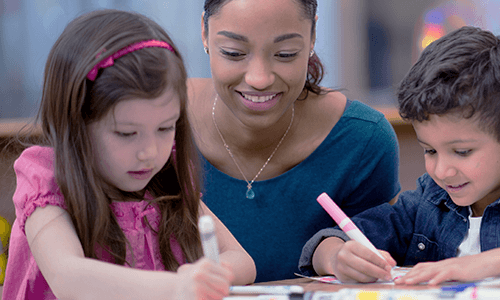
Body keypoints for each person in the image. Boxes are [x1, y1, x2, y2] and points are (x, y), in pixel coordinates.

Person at [2, 9, 255, 300]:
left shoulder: (167, 176)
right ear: (77, 124)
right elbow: (67, 276)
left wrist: (208, 275)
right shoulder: (47, 179)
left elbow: (241, 259)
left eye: (164, 128)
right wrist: (177, 287)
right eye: (126, 133)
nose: (149, 152)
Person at [187, 0, 400, 282]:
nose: (259, 79)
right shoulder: (157, 123)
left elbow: (378, 262)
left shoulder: (361, 140)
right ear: (204, 32)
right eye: (234, 53)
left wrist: (350, 261)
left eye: (285, 54)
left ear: (312, 36)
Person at [300, 26, 500, 285]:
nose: (442, 171)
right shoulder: (429, 202)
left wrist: (480, 264)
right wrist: (336, 256)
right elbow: (328, 242)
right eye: (430, 150)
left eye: (462, 152)